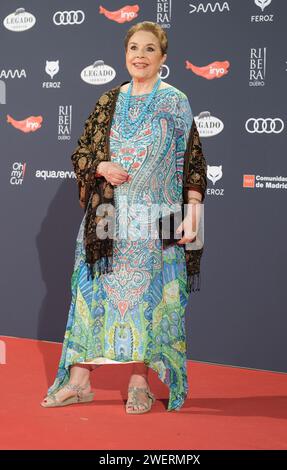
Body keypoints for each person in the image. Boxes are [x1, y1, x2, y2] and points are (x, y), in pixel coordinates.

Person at [41, 21, 207, 413]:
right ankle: (79, 382)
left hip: (157, 216)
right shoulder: (108, 101)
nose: (140, 55)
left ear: (163, 58)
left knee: (148, 301)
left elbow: (194, 160)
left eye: (150, 49)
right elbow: (81, 153)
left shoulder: (175, 101)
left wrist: (194, 211)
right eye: (134, 47)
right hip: (108, 216)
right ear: (125, 53)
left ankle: (139, 385)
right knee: (91, 296)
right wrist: (101, 165)